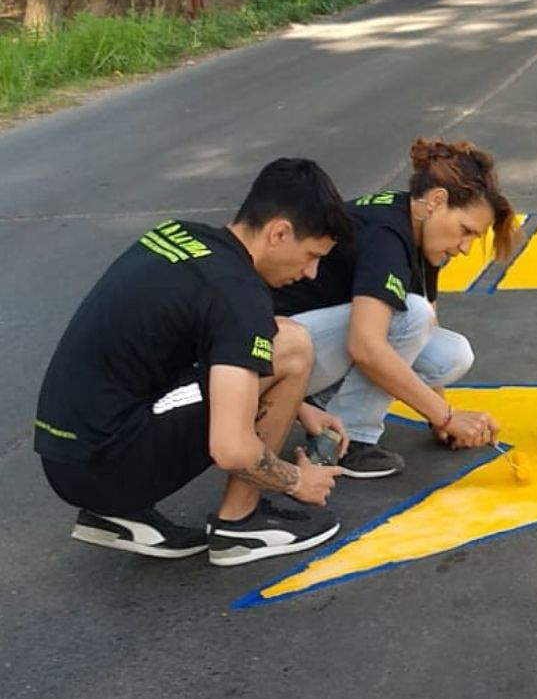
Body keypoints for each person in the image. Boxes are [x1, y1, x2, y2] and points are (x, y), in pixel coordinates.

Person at [34, 158, 354, 566]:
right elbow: (231, 449)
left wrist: (298, 408)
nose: (311, 273)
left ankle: (112, 518)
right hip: (105, 468)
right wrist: (296, 481)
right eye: (311, 255)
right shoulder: (239, 294)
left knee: (266, 337)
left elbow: (189, 346)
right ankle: (240, 526)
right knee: (291, 344)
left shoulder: (181, 237)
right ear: (279, 232)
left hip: (67, 455)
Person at [273, 138, 521, 478]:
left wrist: (439, 417)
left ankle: (325, 399)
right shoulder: (387, 235)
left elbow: (422, 330)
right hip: (269, 357)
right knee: (411, 314)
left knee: (451, 352)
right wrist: (446, 416)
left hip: (314, 341)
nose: (464, 248)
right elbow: (366, 344)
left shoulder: (422, 232)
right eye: (465, 231)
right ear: (437, 200)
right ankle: (351, 439)